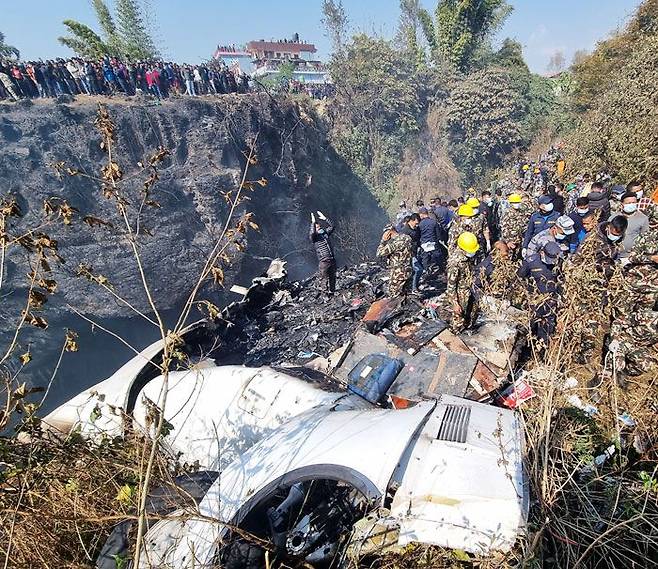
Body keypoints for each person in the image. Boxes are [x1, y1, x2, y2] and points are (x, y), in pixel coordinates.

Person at [518, 241, 562, 344]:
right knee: (527, 328)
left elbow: (561, 280)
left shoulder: (559, 262)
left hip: (550, 302)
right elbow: (519, 278)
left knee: (546, 331)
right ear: (542, 253)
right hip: (534, 301)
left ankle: (542, 352)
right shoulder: (530, 262)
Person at [446, 232, 480, 333]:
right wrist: (455, 303)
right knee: (458, 318)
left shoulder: (466, 257)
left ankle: (467, 328)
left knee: (471, 313)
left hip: (468, 289)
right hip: (460, 294)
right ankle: (455, 334)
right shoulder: (455, 263)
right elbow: (451, 286)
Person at [376, 225, 413, 297]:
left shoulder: (394, 243)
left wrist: (383, 241)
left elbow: (379, 253)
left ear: (389, 232)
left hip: (398, 273)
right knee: (406, 294)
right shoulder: (407, 238)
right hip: (408, 270)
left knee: (394, 295)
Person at [309, 210, 336, 294]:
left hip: (331, 259)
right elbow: (312, 233)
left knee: (333, 277)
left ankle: (332, 292)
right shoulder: (315, 238)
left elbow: (333, 226)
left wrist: (325, 218)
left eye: (319, 226)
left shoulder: (325, 234)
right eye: (317, 227)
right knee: (324, 279)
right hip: (323, 262)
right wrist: (313, 222)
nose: (319, 228)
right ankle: (325, 294)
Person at [616, 191, 649, 258]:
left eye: (633, 202)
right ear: (622, 204)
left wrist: (636, 252)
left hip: (630, 257)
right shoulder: (614, 217)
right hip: (614, 255)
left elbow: (645, 239)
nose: (631, 204)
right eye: (628, 203)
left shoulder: (643, 218)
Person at [500, 193, 530, 260]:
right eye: (515, 202)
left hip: (519, 240)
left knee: (518, 258)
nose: (517, 204)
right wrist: (508, 241)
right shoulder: (507, 213)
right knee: (509, 258)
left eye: (518, 202)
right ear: (511, 203)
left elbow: (524, 225)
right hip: (510, 241)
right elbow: (504, 228)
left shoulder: (521, 212)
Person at [418, 207, 444, 272]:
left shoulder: (420, 224)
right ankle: (441, 269)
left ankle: (426, 270)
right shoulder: (434, 222)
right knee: (438, 256)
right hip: (433, 241)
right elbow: (438, 234)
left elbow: (418, 234)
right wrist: (439, 240)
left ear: (422, 214)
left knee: (425, 258)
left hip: (424, 242)